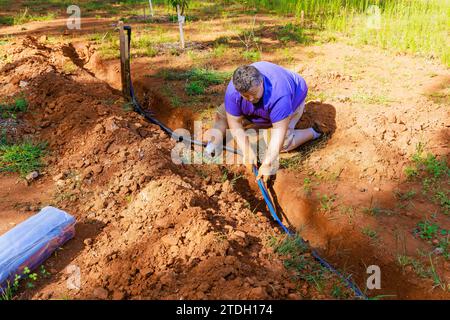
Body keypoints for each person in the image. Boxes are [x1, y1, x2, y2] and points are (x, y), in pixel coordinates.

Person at [205, 61, 323, 182]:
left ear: (261, 82)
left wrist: (267, 163)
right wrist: (246, 151)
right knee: (222, 115)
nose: (250, 99)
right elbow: (234, 121)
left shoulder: (279, 95)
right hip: (262, 107)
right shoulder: (234, 90)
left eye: (253, 94)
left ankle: (313, 132)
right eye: (246, 96)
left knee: (284, 141)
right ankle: (212, 145)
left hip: (292, 99)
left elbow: (279, 132)